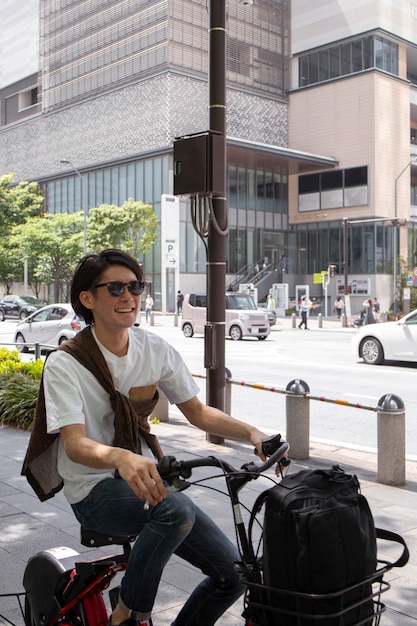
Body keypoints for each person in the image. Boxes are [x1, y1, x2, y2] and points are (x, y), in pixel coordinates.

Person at [22, 249, 272, 626]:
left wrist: (253, 432)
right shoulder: (65, 362)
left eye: (136, 286)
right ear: (87, 299)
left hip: (145, 483)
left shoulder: (153, 348)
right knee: (175, 508)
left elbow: (198, 412)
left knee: (234, 575)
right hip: (93, 489)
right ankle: (127, 613)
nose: (129, 296)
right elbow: (74, 444)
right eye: (116, 288)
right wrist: (122, 457)